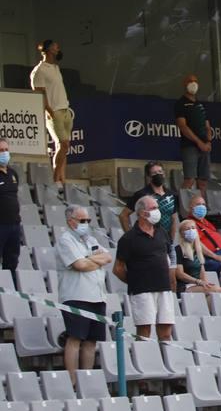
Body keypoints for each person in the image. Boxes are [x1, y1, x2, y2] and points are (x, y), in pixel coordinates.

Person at [57, 205, 111, 383]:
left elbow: (108, 257)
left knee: (91, 341)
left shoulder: (90, 240)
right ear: (70, 221)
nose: (86, 223)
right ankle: (72, 381)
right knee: (75, 338)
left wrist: (87, 259)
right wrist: (94, 260)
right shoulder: (65, 240)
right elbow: (78, 265)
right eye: (82, 220)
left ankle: (86, 380)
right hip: (76, 295)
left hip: (97, 295)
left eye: (88, 220)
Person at [115, 195, 175, 340]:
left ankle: (164, 360)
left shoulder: (162, 232)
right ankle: (143, 359)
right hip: (142, 291)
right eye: (154, 208)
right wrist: (135, 281)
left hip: (164, 288)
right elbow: (118, 268)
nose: (157, 211)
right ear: (142, 213)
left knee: (166, 331)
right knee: (144, 332)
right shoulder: (128, 238)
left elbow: (170, 256)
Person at [30, 39, 73, 183]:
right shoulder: (39, 70)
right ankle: (55, 179)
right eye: (55, 47)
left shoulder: (55, 67)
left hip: (65, 110)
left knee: (64, 147)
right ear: (48, 50)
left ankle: (62, 177)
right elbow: (39, 93)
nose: (58, 49)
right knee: (63, 144)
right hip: (54, 112)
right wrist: (49, 110)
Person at [172, 74, 212, 192]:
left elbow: (208, 126)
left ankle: (202, 207)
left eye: (195, 81)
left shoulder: (200, 105)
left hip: (205, 147)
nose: (193, 83)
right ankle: (182, 207)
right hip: (189, 146)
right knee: (189, 180)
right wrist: (199, 142)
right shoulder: (180, 104)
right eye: (190, 81)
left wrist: (208, 142)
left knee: (203, 181)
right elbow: (183, 126)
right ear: (185, 84)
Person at [119, 160, 179, 237]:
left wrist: (171, 240)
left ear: (164, 173)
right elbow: (123, 215)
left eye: (160, 171)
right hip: (147, 238)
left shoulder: (172, 195)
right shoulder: (141, 194)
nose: (158, 175)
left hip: (166, 239)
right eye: (154, 173)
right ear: (149, 176)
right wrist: (130, 236)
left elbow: (173, 219)